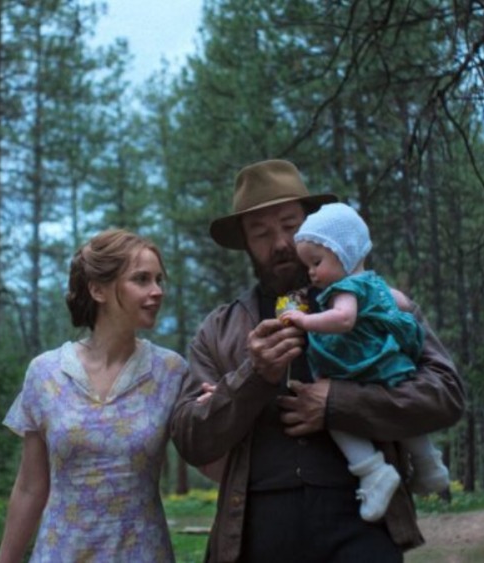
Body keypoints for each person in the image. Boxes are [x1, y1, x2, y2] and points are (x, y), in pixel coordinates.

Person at [170, 159, 465, 563]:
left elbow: (446, 394)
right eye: (261, 233)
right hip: (255, 534)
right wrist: (253, 376)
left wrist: (337, 404)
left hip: (362, 525)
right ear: (245, 242)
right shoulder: (218, 330)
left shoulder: (374, 301)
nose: (280, 243)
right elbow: (191, 438)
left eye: (290, 225)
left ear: (313, 225)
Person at [0, 229, 186, 563]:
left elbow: (214, 459)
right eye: (141, 279)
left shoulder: (171, 372)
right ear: (97, 289)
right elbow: (29, 486)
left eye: (159, 280)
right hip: (60, 553)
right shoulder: (46, 373)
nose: (157, 291)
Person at [277, 202, 451, 523]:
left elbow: (343, 320)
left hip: (358, 365)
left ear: (344, 253)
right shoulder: (376, 284)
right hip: (391, 363)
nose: (312, 272)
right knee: (403, 416)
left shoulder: (344, 289)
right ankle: (429, 465)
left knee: (334, 413)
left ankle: (372, 471)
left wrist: (305, 322)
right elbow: (403, 305)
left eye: (317, 262)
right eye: (308, 266)